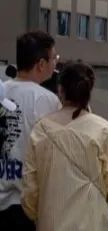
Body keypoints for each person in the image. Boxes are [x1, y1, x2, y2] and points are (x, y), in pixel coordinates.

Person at [22, 62, 108, 231]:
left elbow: (30, 191)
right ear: (88, 91)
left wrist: (39, 214)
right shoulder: (102, 129)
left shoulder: (41, 130)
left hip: (51, 223)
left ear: (60, 90)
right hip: (93, 222)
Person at [0, 31, 61, 230]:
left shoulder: (4, 90)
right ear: (41, 64)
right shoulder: (46, 100)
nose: (55, 64)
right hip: (26, 205)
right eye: (53, 58)